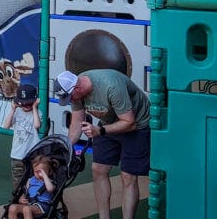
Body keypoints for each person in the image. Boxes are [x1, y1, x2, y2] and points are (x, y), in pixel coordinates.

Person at [54, 69, 151, 219]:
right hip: (108, 123)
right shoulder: (75, 92)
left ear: (77, 88)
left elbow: (129, 123)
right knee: (98, 169)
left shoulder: (111, 86)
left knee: (128, 176)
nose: (70, 101)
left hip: (136, 125)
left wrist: (100, 131)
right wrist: (66, 147)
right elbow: (77, 123)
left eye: (70, 97)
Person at [4, 83, 42, 185]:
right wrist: (13, 109)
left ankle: (30, 198)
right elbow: (6, 126)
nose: (25, 106)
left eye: (28, 103)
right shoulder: (17, 112)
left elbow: (37, 125)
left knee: (32, 180)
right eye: (23, 103)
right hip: (17, 155)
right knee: (18, 182)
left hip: (33, 155)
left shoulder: (38, 113)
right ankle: (19, 199)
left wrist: (34, 107)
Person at [7, 154, 56, 218]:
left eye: (42, 171)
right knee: (12, 207)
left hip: (43, 206)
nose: (39, 174)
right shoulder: (31, 180)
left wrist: (44, 175)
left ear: (49, 172)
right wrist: (21, 198)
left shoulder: (50, 182)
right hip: (30, 204)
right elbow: (25, 192)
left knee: (27, 209)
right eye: (36, 172)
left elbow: (50, 189)